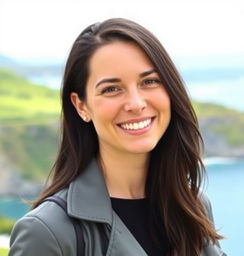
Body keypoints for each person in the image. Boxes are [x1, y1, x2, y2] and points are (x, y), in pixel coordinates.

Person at [9, 18, 226, 256]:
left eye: (150, 81)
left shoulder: (193, 206)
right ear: (81, 106)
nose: (136, 103)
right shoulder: (48, 232)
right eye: (111, 89)